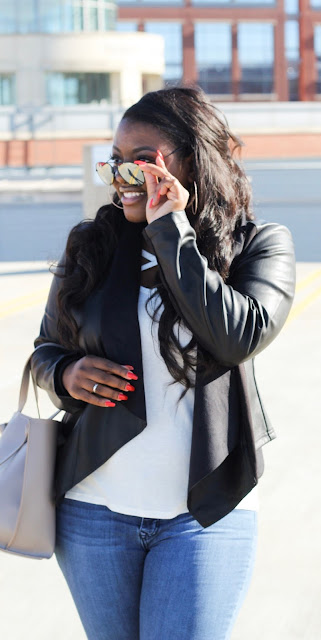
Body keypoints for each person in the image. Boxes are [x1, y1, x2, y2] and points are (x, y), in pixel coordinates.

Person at [31, 85, 296, 640]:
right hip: (93, 511)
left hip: (206, 514)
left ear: (191, 161)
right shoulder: (92, 247)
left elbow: (239, 336)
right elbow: (46, 351)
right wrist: (67, 374)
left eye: (141, 162)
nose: (123, 177)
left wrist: (171, 228)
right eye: (115, 163)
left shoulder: (258, 246)